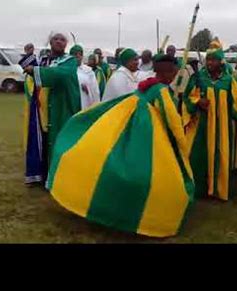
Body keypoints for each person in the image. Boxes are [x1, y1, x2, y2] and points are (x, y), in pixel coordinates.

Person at [45, 54, 194, 237]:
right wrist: (181, 143)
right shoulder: (161, 90)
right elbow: (171, 120)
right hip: (147, 135)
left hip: (134, 127)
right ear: (169, 72)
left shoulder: (147, 86)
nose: (174, 75)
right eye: (173, 71)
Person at [183, 48, 237, 200]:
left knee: (221, 154)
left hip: (222, 127)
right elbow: (187, 96)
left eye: (214, 59)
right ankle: (199, 190)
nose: (210, 62)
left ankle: (218, 188)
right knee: (199, 156)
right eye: (208, 59)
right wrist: (198, 101)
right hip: (202, 126)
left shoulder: (228, 81)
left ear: (221, 62)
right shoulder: (198, 78)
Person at [23, 33, 82, 186]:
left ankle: (57, 178)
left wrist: (35, 71)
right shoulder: (43, 60)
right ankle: (39, 175)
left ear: (66, 44)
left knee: (57, 140)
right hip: (41, 107)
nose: (58, 41)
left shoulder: (69, 61)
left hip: (60, 106)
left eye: (62, 39)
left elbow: (61, 75)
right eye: (55, 39)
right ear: (50, 42)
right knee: (41, 140)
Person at [19, 43, 47, 185]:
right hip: (37, 109)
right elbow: (33, 91)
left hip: (41, 109)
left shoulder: (39, 69)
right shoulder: (32, 74)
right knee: (36, 141)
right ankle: (36, 174)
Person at [71, 45, 100, 110]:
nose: (78, 57)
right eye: (75, 54)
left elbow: (95, 91)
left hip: (84, 103)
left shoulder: (88, 71)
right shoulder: (66, 69)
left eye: (80, 54)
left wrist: (88, 89)